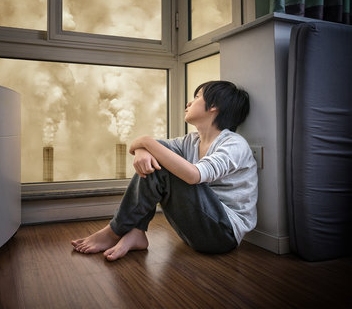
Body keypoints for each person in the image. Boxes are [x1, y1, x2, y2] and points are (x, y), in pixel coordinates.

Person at [71, 80, 258, 261]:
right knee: (161, 156)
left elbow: (194, 175)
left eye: (197, 96)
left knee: (163, 165)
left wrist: (145, 142)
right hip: (194, 231)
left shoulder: (234, 143)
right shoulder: (190, 141)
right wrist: (144, 148)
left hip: (222, 234)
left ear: (214, 106)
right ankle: (136, 231)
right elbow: (144, 146)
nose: (189, 103)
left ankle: (114, 231)